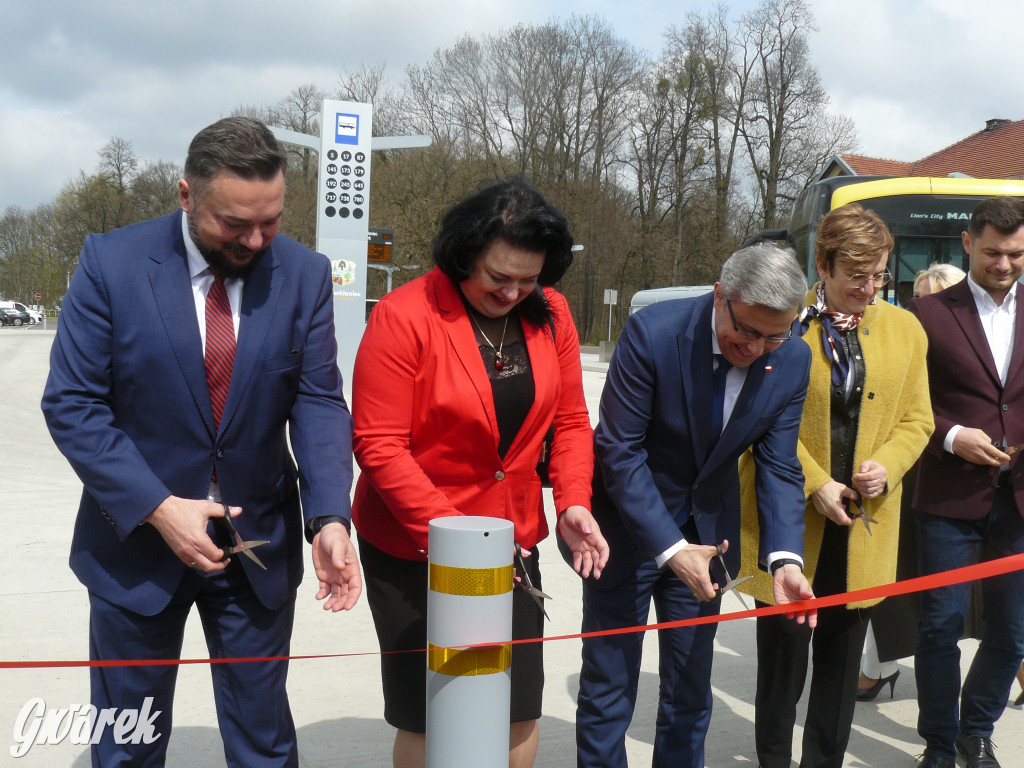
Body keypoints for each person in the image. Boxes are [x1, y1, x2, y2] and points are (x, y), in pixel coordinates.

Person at [41, 116, 361, 767]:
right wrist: (159, 507)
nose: (254, 239)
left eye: (269, 222)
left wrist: (330, 515)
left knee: (264, 741)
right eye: (234, 223)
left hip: (257, 547)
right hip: (136, 544)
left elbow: (320, 400)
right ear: (187, 195)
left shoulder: (304, 274)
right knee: (127, 740)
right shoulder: (113, 262)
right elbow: (72, 404)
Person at [351, 179, 609, 768]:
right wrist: (458, 538)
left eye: (529, 279)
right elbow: (379, 444)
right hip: (413, 543)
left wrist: (573, 501)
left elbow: (569, 422)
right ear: (465, 253)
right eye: (499, 277)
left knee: (515, 708)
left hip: (509, 541)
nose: (513, 291)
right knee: (432, 712)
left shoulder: (553, 316)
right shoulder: (405, 315)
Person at [575, 243, 817, 768]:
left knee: (689, 688)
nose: (757, 348)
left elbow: (778, 465)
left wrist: (786, 559)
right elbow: (619, 449)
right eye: (747, 331)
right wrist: (669, 546)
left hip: (711, 538)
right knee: (608, 684)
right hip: (626, 532)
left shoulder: (794, 357)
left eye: (775, 335)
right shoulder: (654, 334)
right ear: (720, 297)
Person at [737, 204, 933, 768]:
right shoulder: (784, 324)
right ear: (822, 265)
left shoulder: (906, 330)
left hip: (863, 532)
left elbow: (918, 419)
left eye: (879, 275)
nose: (870, 288)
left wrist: (888, 466)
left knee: (841, 671)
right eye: (856, 276)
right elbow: (755, 417)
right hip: (789, 531)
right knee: (781, 671)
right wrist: (815, 483)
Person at [908, 196, 1024, 768]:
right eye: (993, 253)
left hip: (1020, 501)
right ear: (967, 245)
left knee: (1013, 632)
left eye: (1017, 254)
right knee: (940, 628)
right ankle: (937, 742)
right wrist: (953, 436)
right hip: (949, 496)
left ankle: (975, 730)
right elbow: (910, 404)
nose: (1004, 265)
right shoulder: (929, 315)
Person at [857, 260, 966, 701]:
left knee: (977, 587)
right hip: (905, 469)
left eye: (934, 299)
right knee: (894, 581)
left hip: (956, 475)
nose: (922, 309)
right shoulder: (899, 336)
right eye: (917, 299)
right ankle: (877, 667)